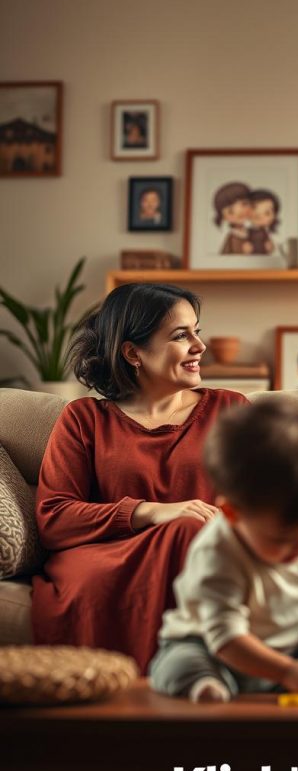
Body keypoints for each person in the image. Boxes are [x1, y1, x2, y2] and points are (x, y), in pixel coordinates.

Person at [34, 283, 247, 674]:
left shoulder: (231, 411)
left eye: (197, 331)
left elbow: (264, 504)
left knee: (187, 533)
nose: (200, 346)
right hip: (106, 557)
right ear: (133, 352)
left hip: (201, 550)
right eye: (181, 335)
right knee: (179, 530)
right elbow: (54, 519)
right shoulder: (83, 419)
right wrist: (150, 512)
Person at [149, 400, 298, 701]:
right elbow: (224, 637)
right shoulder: (217, 550)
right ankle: (206, 687)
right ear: (232, 513)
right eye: (282, 539)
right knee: (180, 664)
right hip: (215, 651)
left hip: (297, 652)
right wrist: (286, 672)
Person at [213, 181, 253, 254]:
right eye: (231, 211)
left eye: (244, 204)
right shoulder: (232, 238)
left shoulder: (252, 232)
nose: (240, 212)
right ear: (223, 217)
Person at [248, 188, 280, 254]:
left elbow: (270, 244)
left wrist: (270, 246)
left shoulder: (265, 232)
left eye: (267, 213)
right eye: (254, 208)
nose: (260, 216)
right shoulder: (247, 231)